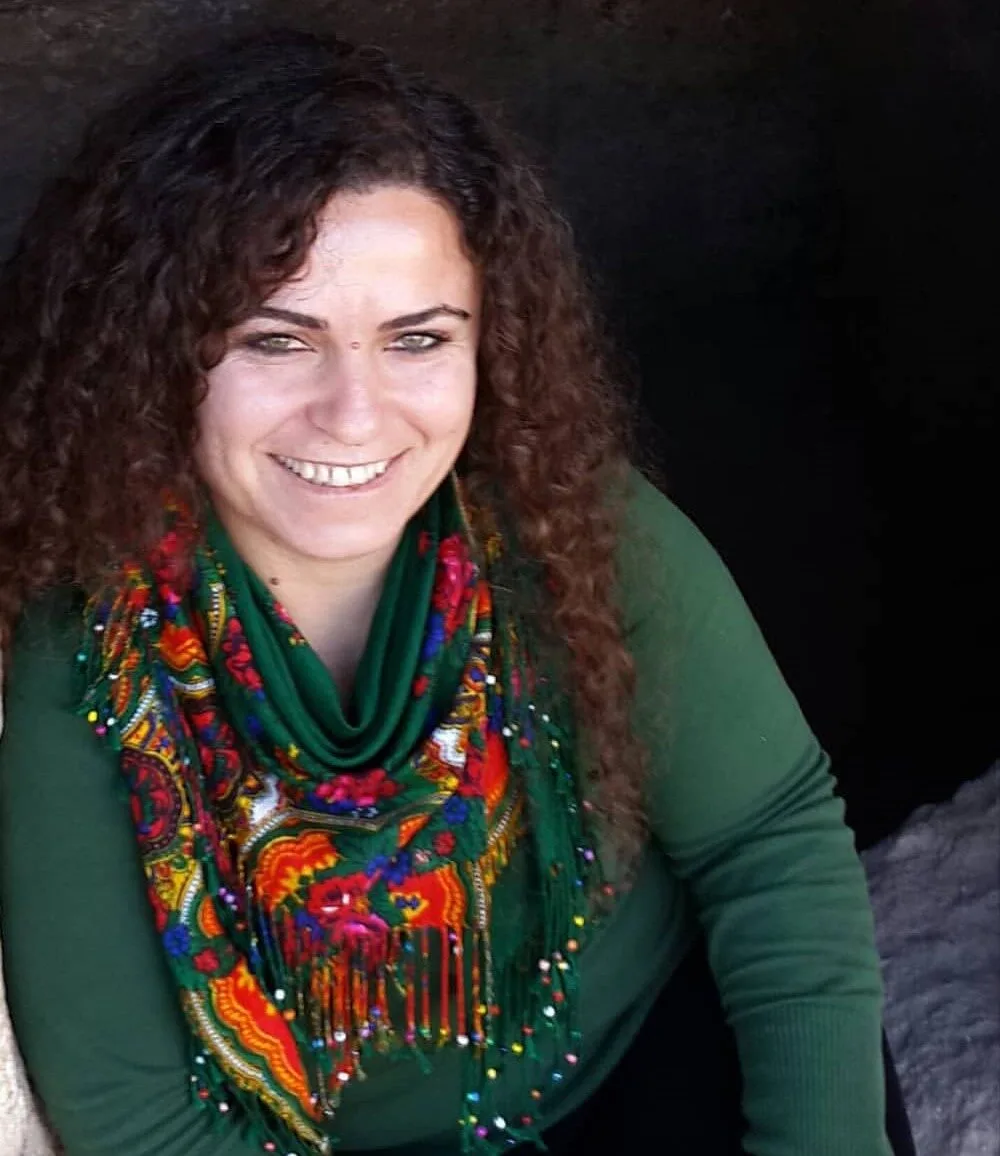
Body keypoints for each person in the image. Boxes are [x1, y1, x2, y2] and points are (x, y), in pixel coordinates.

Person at [0, 28, 916, 1156]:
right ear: (157, 351)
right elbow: (137, 1117)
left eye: (417, 339)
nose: (354, 413)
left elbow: (768, 852)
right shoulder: (85, 648)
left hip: (662, 1062)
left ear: (489, 342)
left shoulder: (569, 524)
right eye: (276, 340)